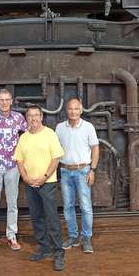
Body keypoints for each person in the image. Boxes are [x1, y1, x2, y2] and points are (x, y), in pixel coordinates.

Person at [14, 105, 65, 272]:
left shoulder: (50, 134)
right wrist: (26, 178)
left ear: (41, 117)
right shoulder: (24, 137)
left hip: (47, 183)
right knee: (37, 217)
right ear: (26, 118)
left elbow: (56, 159)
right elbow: (19, 160)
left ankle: (58, 252)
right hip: (30, 184)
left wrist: (44, 177)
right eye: (30, 116)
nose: (33, 118)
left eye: (36, 115)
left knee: (51, 217)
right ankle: (44, 248)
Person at [0, 89, 27, 251]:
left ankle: (11, 235)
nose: (4, 103)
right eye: (1, 100)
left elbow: (27, 135)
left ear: (11, 101)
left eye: (7, 99)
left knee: (12, 203)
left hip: (12, 166)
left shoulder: (18, 118)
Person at [55, 98, 99, 254]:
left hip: (83, 171)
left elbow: (95, 149)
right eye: (70, 109)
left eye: (76, 109)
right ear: (66, 110)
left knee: (85, 206)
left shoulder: (88, 127)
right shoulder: (60, 128)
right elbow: (55, 149)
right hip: (65, 171)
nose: (73, 112)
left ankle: (86, 237)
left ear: (81, 111)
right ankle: (73, 236)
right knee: (68, 206)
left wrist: (92, 170)